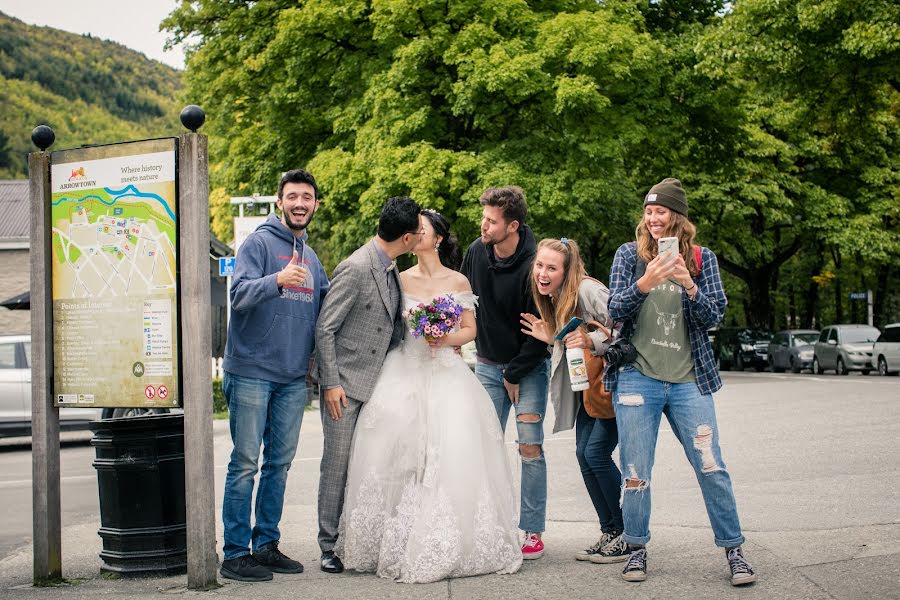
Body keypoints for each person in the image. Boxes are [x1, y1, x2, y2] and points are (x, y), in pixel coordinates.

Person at [336, 209, 522, 582]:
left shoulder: (457, 280)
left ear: (437, 237)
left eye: (422, 228)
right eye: (413, 228)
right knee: (396, 456)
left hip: (446, 374)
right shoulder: (397, 279)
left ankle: (445, 535)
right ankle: (398, 537)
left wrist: (445, 338)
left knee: (449, 453)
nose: (416, 233)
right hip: (403, 369)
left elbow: (469, 329)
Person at [605, 178, 756, 586]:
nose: (654, 218)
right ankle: (636, 550)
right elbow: (614, 309)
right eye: (649, 211)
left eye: (662, 211)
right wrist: (646, 282)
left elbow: (714, 316)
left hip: (690, 380)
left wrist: (688, 282)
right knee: (636, 470)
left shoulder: (702, 259)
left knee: (712, 466)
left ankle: (734, 550)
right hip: (639, 378)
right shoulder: (628, 255)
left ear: (678, 216)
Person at [220, 169, 329, 582]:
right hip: (250, 370)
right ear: (280, 202)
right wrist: (277, 280)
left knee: (278, 465)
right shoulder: (259, 243)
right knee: (245, 462)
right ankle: (234, 553)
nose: (300, 203)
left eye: (307, 197)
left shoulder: (313, 257)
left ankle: (266, 545)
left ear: (315, 204)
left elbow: (328, 307)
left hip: (291, 377)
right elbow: (239, 294)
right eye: (293, 196)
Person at [315, 196, 423, 575]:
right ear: (407, 237)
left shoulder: (390, 266)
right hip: (343, 387)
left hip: (377, 383)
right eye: (420, 230)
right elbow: (325, 327)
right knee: (337, 465)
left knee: (369, 466)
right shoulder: (357, 267)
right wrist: (330, 383)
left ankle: (353, 538)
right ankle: (328, 545)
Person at [519, 238, 628, 564]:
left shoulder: (587, 291)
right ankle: (610, 530)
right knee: (584, 454)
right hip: (588, 390)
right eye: (539, 265)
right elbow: (571, 340)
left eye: (551, 267)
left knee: (595, 453)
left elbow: (624, 326)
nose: (542, 272)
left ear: (567, 271)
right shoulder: (556, 298)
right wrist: (551, 335)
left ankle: (625, 532)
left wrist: (591, 339)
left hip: (613, 385)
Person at [460, 186, 551, 560]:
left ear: (512, 226)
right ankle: (487, 522)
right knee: (482, 446)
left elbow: (540, 331)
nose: (483, 225)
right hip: (486, 365)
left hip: (528, 367)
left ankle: (532, 530)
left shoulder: (536, 266)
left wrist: (513, 374)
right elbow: (461, 299)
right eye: (484, 217)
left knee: (529, 448)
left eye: (491, 220)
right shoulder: (475, 253)